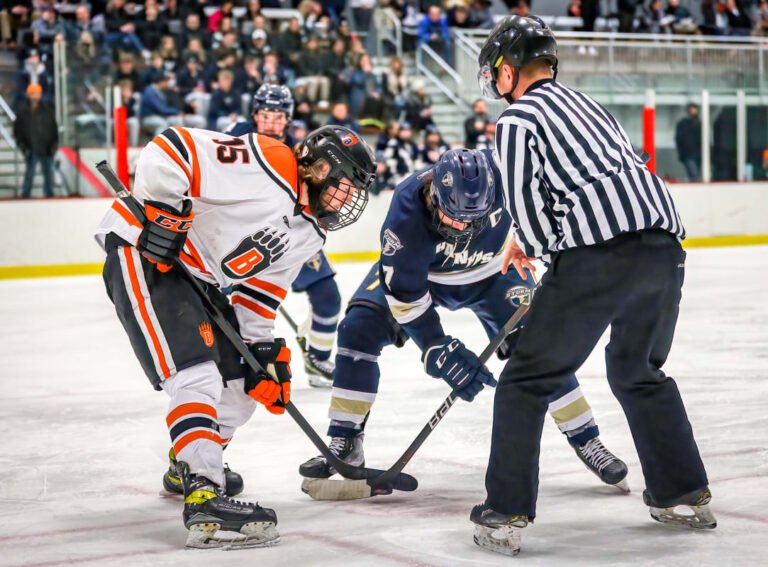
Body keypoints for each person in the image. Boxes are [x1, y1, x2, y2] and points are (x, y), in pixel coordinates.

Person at [474, 16, 714, 555]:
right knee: (638, 370)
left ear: (508, 71)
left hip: (598, 257)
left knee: (527, 379)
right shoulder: (590, 104)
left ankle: (505, 511)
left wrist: (528, 242)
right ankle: (683, 494)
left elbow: (531, 221)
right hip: (664, 251)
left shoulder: (517, 121)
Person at [95, 124, 376, 549]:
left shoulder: (308, 232)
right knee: (198, 374)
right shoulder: (271, 163)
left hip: (199, 278)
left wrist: (262, 354)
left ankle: (186, 464)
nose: (346, 199)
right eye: (344, 185)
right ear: (319, 168)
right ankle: (204, 492)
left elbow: (260, 297)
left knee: (245, 383)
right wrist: (163, 211)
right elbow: (170, 148)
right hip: (145, 252)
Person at [299, 149, 628, 493]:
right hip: (425, 277)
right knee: (358, 329)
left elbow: (561, 199)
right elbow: (405, 297)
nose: (460, 227)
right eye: (452, 215)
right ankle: (346, 438)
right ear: (433, 193)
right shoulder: (407, 211)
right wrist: (434, 346)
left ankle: (586, 437)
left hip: (493, 272)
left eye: (472, 219)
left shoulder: (510, 176)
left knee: (539, 345)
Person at [228, 85, 345, 385]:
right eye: (266, 114)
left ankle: (318, 360)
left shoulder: (302, 151)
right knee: (223, 303)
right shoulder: (236, 140)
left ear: (288, 119)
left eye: (278, 116)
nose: (271, 121)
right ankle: (228, 364)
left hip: (290, 234)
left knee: (328, 298)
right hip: (239, 235)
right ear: (255, 115)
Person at [14, 83, 57, 199]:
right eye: (32, 93)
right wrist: (23, 147)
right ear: (28, 95)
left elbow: (54, 130)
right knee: (29, 174)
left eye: (37, 93)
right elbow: (17, 132)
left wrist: (52, 147)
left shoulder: (48, 111)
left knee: (48, 175)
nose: (35, 96)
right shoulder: (22, 112)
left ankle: (50, 195)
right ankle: (25, 195)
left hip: (46, 148)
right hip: (30, 148)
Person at [675, 103, 702, 181]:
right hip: (689, 154)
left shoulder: (700, 123)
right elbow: (679, 139)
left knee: (696, 176)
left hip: (699, 154)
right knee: (695, 177)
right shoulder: (683, 123)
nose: (693, 111)